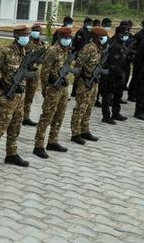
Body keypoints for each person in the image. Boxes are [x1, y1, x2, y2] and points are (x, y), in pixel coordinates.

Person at [0, 25, 33, 175]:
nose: (27, 37)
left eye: (28, 35)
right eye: (25, 35)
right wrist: (1, 83)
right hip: (7, 97)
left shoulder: (25, 52)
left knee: (15, 126)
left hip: (19, 97)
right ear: (16, 36)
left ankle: (11, 153)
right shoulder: (5, 52)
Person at [32, 27, 73, 158]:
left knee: (59, 115)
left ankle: (53, 140)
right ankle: (38, 145)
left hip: (63, 88)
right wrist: (45, 88)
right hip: (52, 88)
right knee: (47, 117)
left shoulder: (66, 50)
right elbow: (45, 72)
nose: (67, 40)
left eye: (69, 38)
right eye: (65, 38)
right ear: (60, 37)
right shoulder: (53, 51)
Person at [70, 27, 107, 144]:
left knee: (89, 107)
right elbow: (78, 66)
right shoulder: (88, 48)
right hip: (85, 83)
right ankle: (75, 133)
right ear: (97, 38)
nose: (104, 39)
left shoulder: (98, 48)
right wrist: (81, 81)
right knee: (80, 108)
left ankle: (85, 130)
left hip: (94, 83)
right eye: (102, 38)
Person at [99, 25, 129, 125]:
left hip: (120, 75)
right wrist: (118, 72)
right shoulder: (114, 46)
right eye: (124, 33)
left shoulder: (123, 45)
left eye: (127, 33)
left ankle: (116, 113)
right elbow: (112, 63)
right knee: (107, 96)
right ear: (118, 34)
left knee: (118, 95)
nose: (126, 35)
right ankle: (106, 116)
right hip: (112, 75)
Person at [22, 23, 47, 126]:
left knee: (30, 96)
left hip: (34, 73)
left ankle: (26, 117)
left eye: (39, 31)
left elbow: (44, 60)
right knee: (21, 95)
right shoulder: (26, 42)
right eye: (35, 30)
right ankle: (18, 115)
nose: (37, 33)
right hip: (24, 72)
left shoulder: (42, 44)